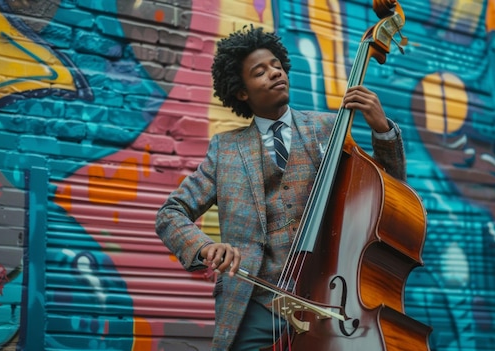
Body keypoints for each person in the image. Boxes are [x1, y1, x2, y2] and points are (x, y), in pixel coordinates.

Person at [155, 25, 407, 351]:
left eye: (277, 65)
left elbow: (390, 188)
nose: (275, 73)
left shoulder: (330, 128)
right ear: (241, 92)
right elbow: (170, 213)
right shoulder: (225, 150)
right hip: (255, 305)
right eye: (260, 72)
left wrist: (382, 129)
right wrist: (205, 247)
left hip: (329, 298)